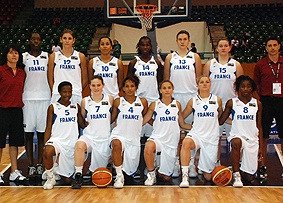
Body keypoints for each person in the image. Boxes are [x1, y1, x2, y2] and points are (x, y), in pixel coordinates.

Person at [163, 30, 202, 178]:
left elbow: (198, 78)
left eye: (185, 39)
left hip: (191, 96)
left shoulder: (195, 57)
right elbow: (166, 79)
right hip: (175, 97)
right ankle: (175, 164)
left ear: (189, 40)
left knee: (190, 133)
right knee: (175, 133)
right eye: (180, 39)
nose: (182, 41)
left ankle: (191, 165)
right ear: (176, 41)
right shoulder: (169, 57)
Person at [142, 80, 192, 186]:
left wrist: (196, 127)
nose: (167, 90)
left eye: (169, 88)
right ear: (160, 90)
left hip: (171, 141)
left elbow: (182, 124)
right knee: (148, 146)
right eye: (164, 88)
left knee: (166, 177)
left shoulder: (177, 104)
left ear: (172, 89)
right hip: (158, 138)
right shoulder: (155, 104)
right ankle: (151, 174)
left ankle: (159, 169)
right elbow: (144, 120)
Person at [203, 38, 243, 165]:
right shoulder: (210, 64)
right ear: (217, 48)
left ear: (230, 48)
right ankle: (216, 162)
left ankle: (237, 164)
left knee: (235, 138)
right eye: (221, 46)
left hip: (232, 106)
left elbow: (241, 86)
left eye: (226, 45)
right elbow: (204, 84)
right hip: (215, 105)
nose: (223, 48)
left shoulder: (236, 65)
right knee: (216, 137)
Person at [219, 75, 263, 187]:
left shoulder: (257, 104)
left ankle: (241, 170)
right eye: (242, 86)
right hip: (237, 136)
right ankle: (236, 174)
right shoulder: (232, 103)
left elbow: (259, 126)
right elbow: (220, 121)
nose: (245, 89)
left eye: (248, 86)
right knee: (236, 142)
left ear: (252, 88)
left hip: (252, 139)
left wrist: (261, 147)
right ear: (238, 88)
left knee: (249, 176)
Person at [179, 76, 222, 187]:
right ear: (197, 85)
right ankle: (185, 176)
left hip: (211, 137)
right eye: (201, 82)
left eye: (207, 82)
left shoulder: (217, 100)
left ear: (210, 84)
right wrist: (189, 126)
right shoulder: (193, 101)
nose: (204, 84)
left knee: (208, 177)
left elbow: (221, 118)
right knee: (186, 143)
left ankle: (208, 166)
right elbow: (182, 117)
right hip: (197, 134)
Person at [71, 75, 114, 189]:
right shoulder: (85, 101)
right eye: (93, 85)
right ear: (89, 86)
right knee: (79, 145)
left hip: (104, 138)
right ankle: (78, 174)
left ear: (103, 85)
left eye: (98, 85)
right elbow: (83, 119)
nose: (96, 88)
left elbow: (114, 117)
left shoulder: (110, 99)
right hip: (89, 137)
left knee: (98, 173)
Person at [42, 81, 85, 190]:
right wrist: (45, 144)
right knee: (47, 151)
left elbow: (82, 124)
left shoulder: (76, 107)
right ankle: (50, 177)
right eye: (64, 92)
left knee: (67, 180)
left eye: (69, 92)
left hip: (71, 143)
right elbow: (48, 127)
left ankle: (56, 168)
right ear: (59, 92)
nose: (67, 94)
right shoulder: (53, 107)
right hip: (57, 141)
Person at [110, 75, 148, 189]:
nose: (130, 88)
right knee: (116, 143)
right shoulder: (118, 101)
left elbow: (145, 116)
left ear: (136, 87)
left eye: (132, 86)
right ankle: (118, 175)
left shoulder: (143, 101)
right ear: (123, 88)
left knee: (131, 168)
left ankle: (126, 173)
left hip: (134, 138)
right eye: (127, 86)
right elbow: (111, 119)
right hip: (119, 134)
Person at [254, 36, 283, 177]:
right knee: (264, 135)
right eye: (269, 45)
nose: (272, 48)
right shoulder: (260, 65)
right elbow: (256, 83)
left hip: (281, 101)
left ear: (279, 47)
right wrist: (262, 97)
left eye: (274, 45)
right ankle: (262, 166)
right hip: (266, 101)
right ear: (266, 48)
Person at [22, 32, 50, 177]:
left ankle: (40, 164)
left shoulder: (47, 56)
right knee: (27, 134)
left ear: (41, 41)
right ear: (29, 41)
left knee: (41, 134)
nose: (36, 41)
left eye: (38, 39)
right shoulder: (23, 57)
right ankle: (30, 165)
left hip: (44, 98)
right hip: (27, 99)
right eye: (33, 39)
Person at [0, 44, 27, 185]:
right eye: (11, 53)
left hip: (17, 110)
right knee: (0, 144)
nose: (14, 55)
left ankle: (14, 172)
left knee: (15, 143)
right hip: (2, 110)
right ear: (6, 55)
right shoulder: (1, 70)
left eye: (16, 53)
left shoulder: (22, 72)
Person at [127, 36, 163, 137]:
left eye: (147, 45)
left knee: (153, 132)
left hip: (153, 99)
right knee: (138, 131)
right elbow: (129, 84)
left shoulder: (157, 63)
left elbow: (160, 82)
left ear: (151, 47)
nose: (145, 47)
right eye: (142, 45)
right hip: (139, 100)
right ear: (138, 47)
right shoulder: (133, 63)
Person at [48, 28, 88, 104]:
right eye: (64, 38)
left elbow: (85, 79)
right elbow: (50, 78)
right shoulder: (53, 56)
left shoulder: (80, 56)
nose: (67, 41)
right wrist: (55, 89)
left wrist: (77, 89)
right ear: (61, 40)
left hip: (75, 93)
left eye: (69, 38)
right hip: (57, 94)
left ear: (73, 40)